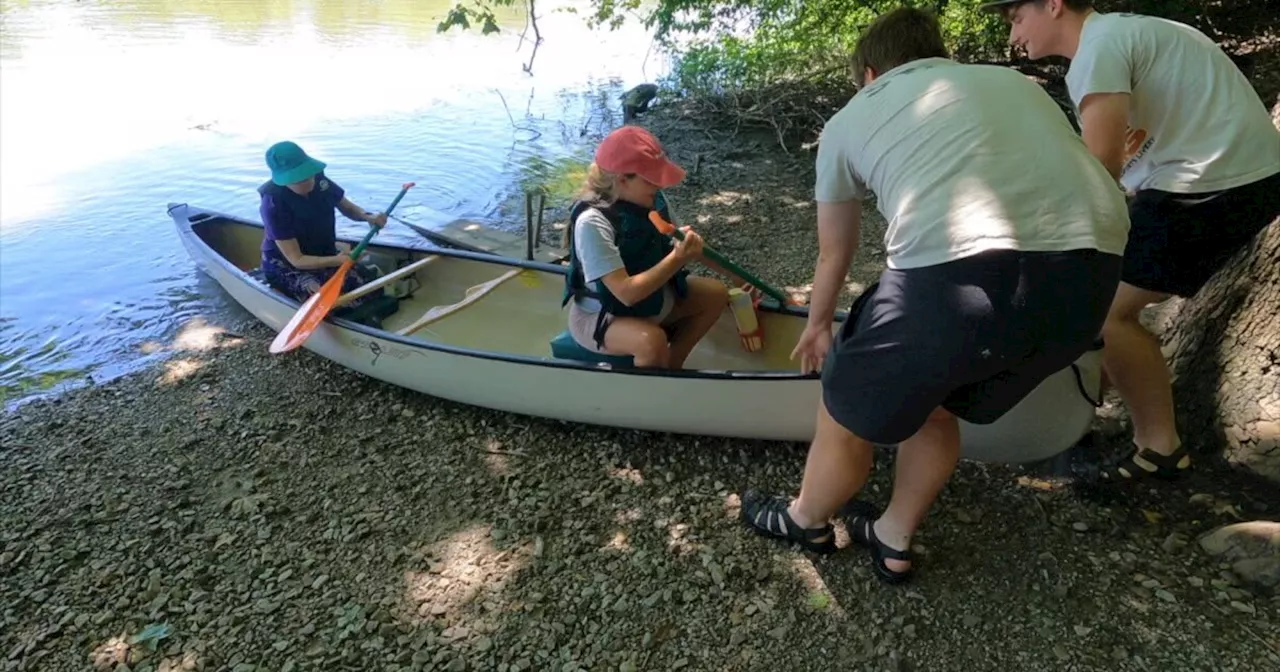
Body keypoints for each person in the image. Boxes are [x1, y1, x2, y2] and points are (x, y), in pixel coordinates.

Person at [737, 6, 1131, 583]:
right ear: (937, 56)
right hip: (1092, 282)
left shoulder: (851, 118)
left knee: (842, 410)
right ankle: (893, 537)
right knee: (938, 400)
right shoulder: (1012, 83)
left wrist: (819, 324)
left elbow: (833, 252)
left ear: (870, 74)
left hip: (956, 282)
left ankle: (806, 520)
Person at [986, 0, 1280, 483]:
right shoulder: (1121, 35)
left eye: (1017, 18)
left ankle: (1158, 449)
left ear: (1054, 5)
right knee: (1088, 295)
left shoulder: (1097, 53)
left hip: (1218, 184)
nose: (1014, 36)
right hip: (1219, 177)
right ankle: (1065, 417)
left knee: (1106, 309)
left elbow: (1101, 173)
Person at [561, 125, 756, 369]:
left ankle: (672, 368)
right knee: (651, 342)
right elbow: (626, 293)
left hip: (654, 302)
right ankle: (652, 391)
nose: (660, 186)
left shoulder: (652, 200)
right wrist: (677, 258)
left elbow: (691, 247)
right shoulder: (592, 222)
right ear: (623, 179)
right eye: (652, 180)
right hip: (602, 317)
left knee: (715, 293)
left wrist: (740, 279)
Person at [258, 140, 391, 312]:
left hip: (323, 251)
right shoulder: (273, 204)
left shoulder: (320, 180)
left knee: (370, 288)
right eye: (298, 180)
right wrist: (338, 260)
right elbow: (296, 259)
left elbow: (347, 207)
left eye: (308, 175)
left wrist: (368, 217)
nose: (308, 182)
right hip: (287, 264)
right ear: (283, 180)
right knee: (329, 303)